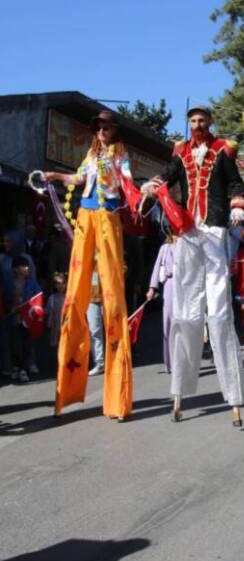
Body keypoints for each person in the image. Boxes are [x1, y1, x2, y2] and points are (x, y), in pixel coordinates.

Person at [142, 105, 244, 426]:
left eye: (202, 120)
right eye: (193, 121)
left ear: (210, 122)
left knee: (218, 311)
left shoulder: (221, 150)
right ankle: (180, 390)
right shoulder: (182, 152)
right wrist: (153, 184)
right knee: (186, 310)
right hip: (188, 230)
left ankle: (234, 394)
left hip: (214, 228)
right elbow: (170, 174)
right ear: (188, 124)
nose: (198, 125)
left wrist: (237, 206)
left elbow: (234, 183)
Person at [46, 110, 142, 420]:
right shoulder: (89, 153)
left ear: (115, 130)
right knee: (75, 289)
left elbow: (127, 181)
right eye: (99, 126)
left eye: (108, 126)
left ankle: (118, 400)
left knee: (113, 293)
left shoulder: (121, 155)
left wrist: (142, 191)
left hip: (109, 215)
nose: (103, 130)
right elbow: (79, 179)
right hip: (86, 217)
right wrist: (55, 176)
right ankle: (67, 390)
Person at [147, 230, 177, 373]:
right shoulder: (164, 248)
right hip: (169, 285)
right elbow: (157, 267)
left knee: (183, 325)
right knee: (168, 323)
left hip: (184, 285)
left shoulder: (187, 246)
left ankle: (183, 362)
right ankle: (170, 363)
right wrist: (152, 288)